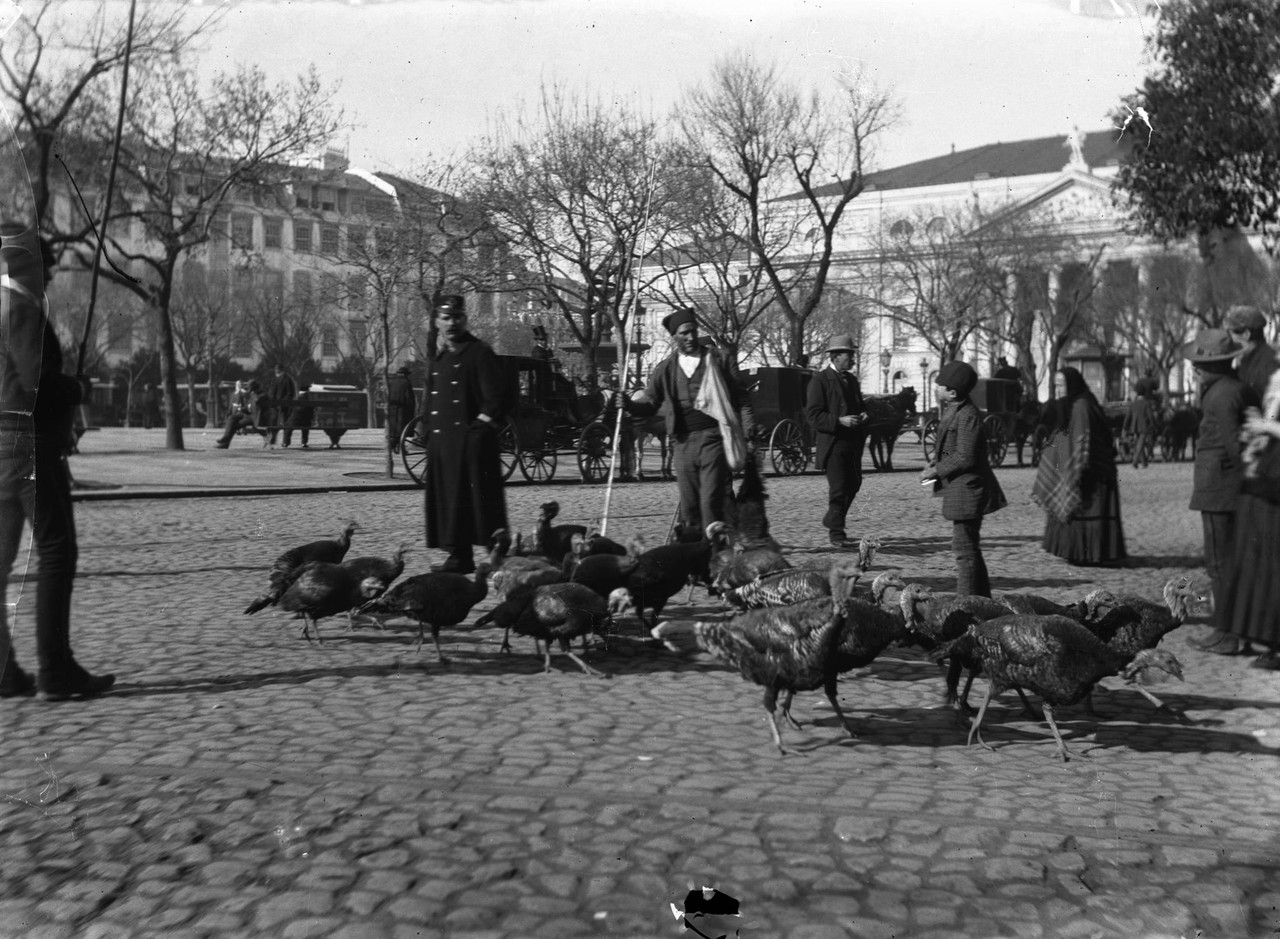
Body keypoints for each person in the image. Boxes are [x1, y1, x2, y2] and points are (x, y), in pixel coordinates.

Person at [0, 225, 114, 700]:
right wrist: (78, 388)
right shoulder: (22, 309)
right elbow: (36, 384)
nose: (48, 277)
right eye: (46, 266)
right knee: (57, 550)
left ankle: (4, 672)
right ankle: (55, 670)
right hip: (26, 443)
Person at [622, 308, 748, 536]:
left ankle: (714, 555)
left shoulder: (718, 360)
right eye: (684, 334)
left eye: (693, 331)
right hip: (682, 442)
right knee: (689, 505)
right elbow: (651, 402)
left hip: (713, 439)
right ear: (675, 337)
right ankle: (692, 556)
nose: (690, 337)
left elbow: (741, 398)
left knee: (710, 502)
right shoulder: (667, 368)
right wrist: (629, 405)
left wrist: (749, 430)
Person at [1181, 329, 1259, 655]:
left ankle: (1226, 634)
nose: (1195, 369)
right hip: (1231, 490)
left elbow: (1234, 446)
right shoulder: (1237, 388)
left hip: (1219, 492)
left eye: (1201, 363)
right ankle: (1231, 629)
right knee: (1230, 563)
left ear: (1218, 365)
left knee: (1218, 564)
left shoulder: (1219, 396)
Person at [423, 294, 508, 574]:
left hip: (471, 447)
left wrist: (477, 432)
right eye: (446, 318)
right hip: (444, 445)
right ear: (436, 322)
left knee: (482, 504)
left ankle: (500, 558)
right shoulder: (440, 357)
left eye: (457, 317)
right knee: (449, 501)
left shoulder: (479, 352)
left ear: (465, 319)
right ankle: (459, 556)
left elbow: (496, 398)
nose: (452, 323)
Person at [920, 361, 1006, 597]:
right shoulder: (955, 409)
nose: (936, 389)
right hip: (960, 490)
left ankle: (966, 604)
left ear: (953, 392)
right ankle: (982, 599)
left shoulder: (967, 415)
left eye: (940, 386)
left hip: (969, 491)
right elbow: (950, 449)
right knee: (970, 550)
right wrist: (935, 463)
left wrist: (936, 471)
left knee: (964, 552)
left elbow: (965, 456)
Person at [1220, 341, 1280, 670]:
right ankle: (1268, 637)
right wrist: (1257, 434)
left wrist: (1266, 427)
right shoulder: (1277, 377)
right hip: (1265, 478)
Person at [1031, 367, 1127, 566]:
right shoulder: (1073, 404)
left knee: (1084, 509)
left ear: (1071, 385)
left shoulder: (1082, 406)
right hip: (1088, 471)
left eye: (1060, 385)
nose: (1057, 389)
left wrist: (1069, 465)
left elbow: (1082, 442)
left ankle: (1087, 553)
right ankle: (1076, 551)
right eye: (1055, 385)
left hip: (1094, 474)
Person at [804, 334, 871, 548]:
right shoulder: (820, 380)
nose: (852, 359)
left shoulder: (851, 380)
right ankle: (836, 532)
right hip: (833, 443)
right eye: (848, 355)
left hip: (853, 442)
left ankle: (832, 518)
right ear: (835, 356)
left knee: (854, 483)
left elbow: (860, 406)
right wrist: (839, 421)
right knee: (839, 487)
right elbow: (813, 415)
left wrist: (864, 414)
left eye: (852, 354)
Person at [1226, 304, 1276, 403]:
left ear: (1246, 335)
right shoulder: (1246, 360)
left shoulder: (1269, 364)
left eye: (1231, 334)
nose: (1229, 340)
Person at [214, 379, 268, 448]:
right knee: (231, 417)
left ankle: (225, 443)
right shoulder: (252, 394)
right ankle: (225, 438)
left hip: (255, 417)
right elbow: (249, 405)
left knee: (234, 425)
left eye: (250, 388)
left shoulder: (262, 394)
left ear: (254, 388)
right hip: (248, 414)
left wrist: (252, 393)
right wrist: (242, 409)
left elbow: (258, 400)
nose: (249, 390)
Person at [1122, 381, 1155, 469]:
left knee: (1139, 444)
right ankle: (1135, 462)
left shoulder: (1133, 403)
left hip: (1134, 426)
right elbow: (1150, 416)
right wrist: (1153, 424)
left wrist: (1125, 427)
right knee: (1140, 444)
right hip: (1144, 426)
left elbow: (1128, 417)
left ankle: (1144, 463)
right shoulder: (1146, 403)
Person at [385, 364, 416, 454]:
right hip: (403, 410)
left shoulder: (392, 383)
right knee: (402, 430)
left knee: (394, 429)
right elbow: (409, 398)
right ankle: (399, 446)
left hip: (392, 409)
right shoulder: (406, 383)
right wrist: (412, 409)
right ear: (405, 374)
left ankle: (394, 444)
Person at [266, 363, 296, 447]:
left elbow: (290, 393)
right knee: (276, 424)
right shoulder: (278, 379)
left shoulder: (286, 379)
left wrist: (282, 403)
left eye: (277, 369)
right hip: (276, 405)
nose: (275, 371)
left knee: (284, 423)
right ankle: (274, 441)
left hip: (283, 406)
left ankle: (283, 441)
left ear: (279, 370)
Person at [287, 381, 315, 449]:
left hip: (293, 421)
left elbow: (290, 410)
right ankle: (304, 442)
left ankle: (286, 442)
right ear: (307, 390)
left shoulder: (296, 398)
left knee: (287, 428)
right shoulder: (308, 399)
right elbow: (311, 411)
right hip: (305, 422)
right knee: (306, 425)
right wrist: (312, 418)